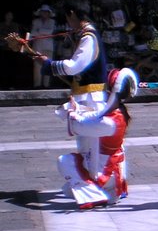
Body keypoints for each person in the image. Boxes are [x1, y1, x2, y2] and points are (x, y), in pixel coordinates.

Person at [29, 1, 107, 179]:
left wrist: (49, 64)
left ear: (72, 15)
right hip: (85, 96)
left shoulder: (89, 36)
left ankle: (97, 180)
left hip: (91, 99)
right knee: (85, 145)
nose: (69, 24)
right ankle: (92, 180)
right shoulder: (84, 35)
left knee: (91, 145)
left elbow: (74, 67)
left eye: (68, 19)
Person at [57, 68, 138, 209]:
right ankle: (103, 192)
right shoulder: (119, 112)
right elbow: (94, 115)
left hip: (106, 172)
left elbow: (80, 126)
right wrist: (78, 109)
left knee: (65, 161)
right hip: (110, 169)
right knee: (69, 189)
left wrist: (71, 112)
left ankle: (95, 196)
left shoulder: (110, 121)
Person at [30, 5, 57, 88]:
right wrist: (42, 33)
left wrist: (39, 31)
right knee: (37, 67)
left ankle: (46, 85)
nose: (44, 13)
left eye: (46, 12)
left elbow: (50, 32)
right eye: (43, 12)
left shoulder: (52, 22)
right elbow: (33, 33)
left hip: (48, 47)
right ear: (40, 13)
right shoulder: (35, 21)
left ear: (49, 13)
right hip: (37, 46)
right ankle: (37, 85)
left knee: (48, 65)